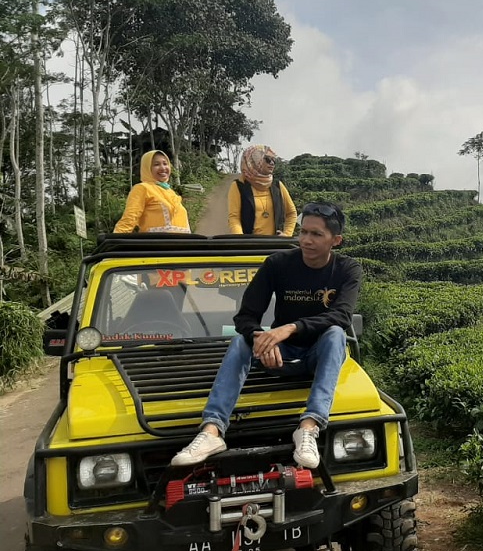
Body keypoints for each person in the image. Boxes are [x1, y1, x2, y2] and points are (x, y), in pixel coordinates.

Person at [171, 201, 362, 469]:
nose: (306, 240)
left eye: (316, 234)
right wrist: (260, 337)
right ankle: (212, 431)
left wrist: (289, 327)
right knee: (241, 340)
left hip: (315, 356)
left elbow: (341, 316)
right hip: (277, 354)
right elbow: (245, 317)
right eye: (303, 232)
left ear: (336, 240)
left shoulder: (347, 269)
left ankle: (308, 427)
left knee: (334, 334)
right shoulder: (278, 264)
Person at [113, 150, 190, 233]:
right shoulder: (142, 188)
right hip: (154, 244)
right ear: (147, 168)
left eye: (165, 163)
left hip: (182, 244)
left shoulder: (170, 192)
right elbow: (129, 219)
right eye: (156, 164)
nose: (163, 168)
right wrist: (114, 242)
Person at [228, 144, 297, 236]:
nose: (272, 163)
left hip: (274, 244)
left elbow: (291, 213)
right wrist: (241, 241)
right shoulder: (239, 186)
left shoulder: (278, 186)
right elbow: (234, 218)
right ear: (255, 160)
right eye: (268, 159)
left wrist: (287, 235)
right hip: (249, 245)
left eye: (273, 160)